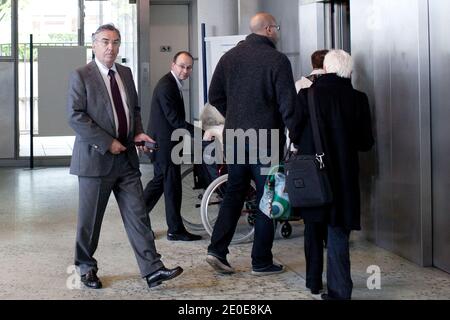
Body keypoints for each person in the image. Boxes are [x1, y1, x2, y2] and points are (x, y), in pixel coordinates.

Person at [67, 24, 183, 289]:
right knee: (90, 222)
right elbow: (76, 116)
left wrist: (139, 133)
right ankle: (85, 268)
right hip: (95, 161)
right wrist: (109, 143)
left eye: (116, 42)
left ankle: (152, 269)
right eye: (105, 41)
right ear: (94, 44)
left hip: (127, 159)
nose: (111, 47)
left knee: (138, 215)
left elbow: (135, 109)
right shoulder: (81, 75)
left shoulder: (126, 74)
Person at [205, 12, 301, 275]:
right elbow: (288, 105)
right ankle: (261, 260)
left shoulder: (229, 57)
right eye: (277, 28)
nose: (278, 32)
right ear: (269, 29)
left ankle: (217, 250)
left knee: (234, 193)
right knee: (267, 198)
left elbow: (214, 95)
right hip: (266, 139)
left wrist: (235, 115)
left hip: (236, 137)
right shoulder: (277, 60)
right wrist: (298, 136)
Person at [294, 49, 374, 299]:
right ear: (348, 71)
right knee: (338, 231)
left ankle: (313, 281)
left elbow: (295, 135)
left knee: (313, 227)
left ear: (325, 69)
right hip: (345, 177)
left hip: (314, 176)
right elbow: (365, 142)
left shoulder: (307, 96)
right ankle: (339, 291)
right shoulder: (359, 99)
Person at [143, 51, 202, 241]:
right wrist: (199, 133)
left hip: (165, 144)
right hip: (164, 145)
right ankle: (174, 230)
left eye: (189, 67)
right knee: (172, 187)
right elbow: (175, 120)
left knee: (161, 183)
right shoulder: (167, 86)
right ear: (173, 64)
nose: (185, 70)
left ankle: (135, 217)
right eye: (182, 66)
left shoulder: (173, 83)